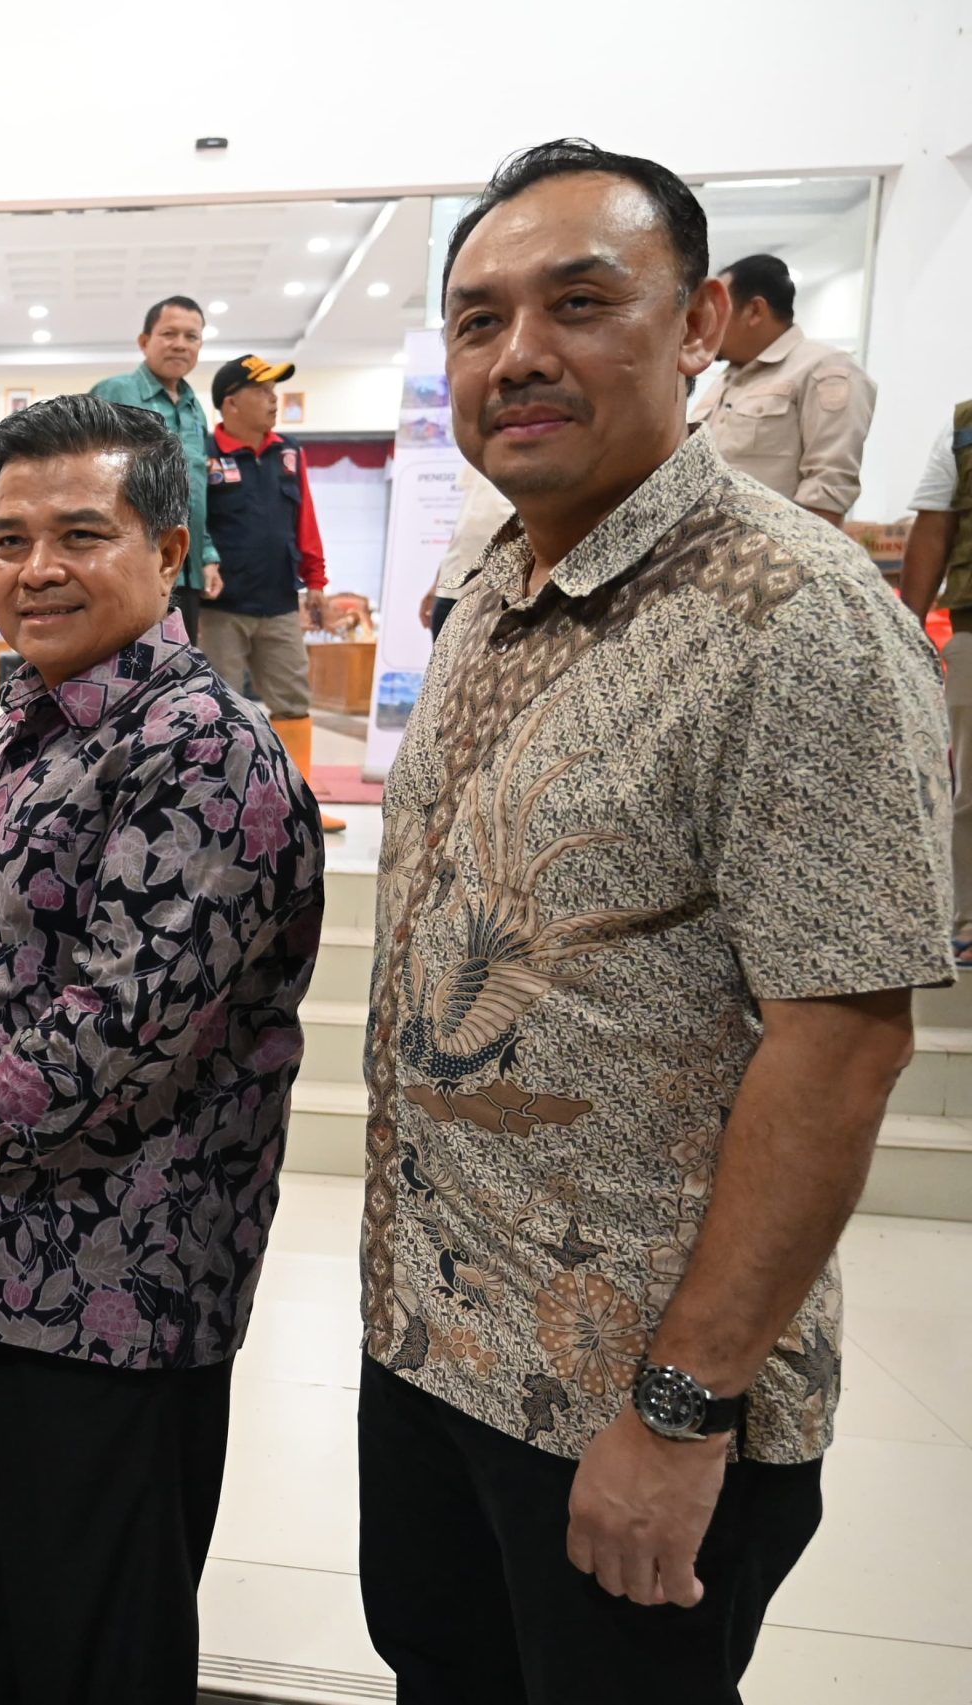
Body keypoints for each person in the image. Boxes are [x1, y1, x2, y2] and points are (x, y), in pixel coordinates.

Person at [360, 140, 947, 1705]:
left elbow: (845, 1041)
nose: (518, 354)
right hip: (435, 1344)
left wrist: (684, 1409)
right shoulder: (491, 590)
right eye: (478, 319)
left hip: (628, 1402)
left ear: (697, 327)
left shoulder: (797, 615)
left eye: (580, 302)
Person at [0, 395, 324, 1704]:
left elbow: (113, 1033)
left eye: (81, 533)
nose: (36, 569)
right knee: (14, 1632)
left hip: (107, 1296)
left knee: (96, 1654)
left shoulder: (200, 748)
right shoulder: (33, 722)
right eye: (9, 538)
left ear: (171, 548)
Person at [202, 353, 345, 831]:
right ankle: (219, 808)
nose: (273, 399)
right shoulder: (204, 454)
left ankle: (297, 807)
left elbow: (306, 519)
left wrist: (317, 581)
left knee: (293, 702)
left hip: (280, 600)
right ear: (231, 402)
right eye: (262, 391)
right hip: (221, 608)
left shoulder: (289, 452)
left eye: (274, 390)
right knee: (219, 706)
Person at [688, 253, 877, 523]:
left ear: (755, 311)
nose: (708, 325)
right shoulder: (726, 380)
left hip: (768, 546)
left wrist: (804, 549)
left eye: (719, 312)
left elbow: (827, 488)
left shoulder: (823, 368)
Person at [92, 295, 222, 642]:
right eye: (169, 334)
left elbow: (198, 490)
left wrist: (207, 556)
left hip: (185, 567)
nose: (180, 344)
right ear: (144, 341)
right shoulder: (115, 391)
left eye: (191, 337)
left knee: (177, 665)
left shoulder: (195, 409)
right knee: (123, 663)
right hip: (130, 562)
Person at [896, 402, 972, 964]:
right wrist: (909, 626)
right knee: (970, 791)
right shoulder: (966, 423)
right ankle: (969, 920)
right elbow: (934, 523)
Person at [420, 468, 516, 640]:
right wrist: (437, 583)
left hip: (502, 595)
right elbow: (463, 527)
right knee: (443, 656)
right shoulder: (479, 461)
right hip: (452, 589)